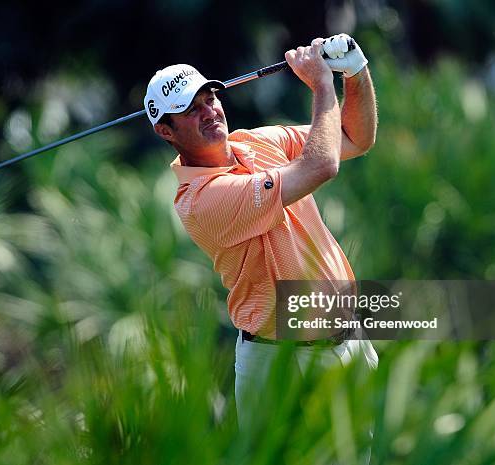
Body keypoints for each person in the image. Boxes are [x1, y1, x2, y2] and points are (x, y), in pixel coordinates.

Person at [144, 34, 379, 433]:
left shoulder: (256, 141)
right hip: (281, 364)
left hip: (348, 342)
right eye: (189, 110)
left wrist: (355, 72)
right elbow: (320, 166)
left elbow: (356, 138)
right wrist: (322, 83)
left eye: (210, 99)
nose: (209, 113)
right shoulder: (201, 200)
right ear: (166, 131)